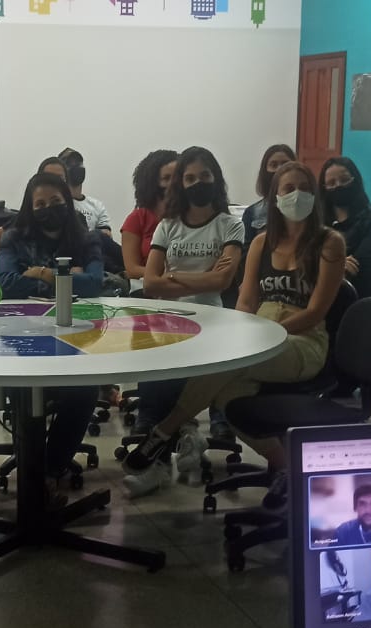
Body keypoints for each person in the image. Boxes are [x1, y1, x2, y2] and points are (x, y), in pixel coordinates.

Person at [122, 162, 345, 502]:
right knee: (228, 400)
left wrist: (264, 337)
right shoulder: (262, 242)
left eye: (305, 188)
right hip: (260, 333)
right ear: (275, 196)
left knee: (226, 364)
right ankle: (286, 466)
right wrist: (242, 337)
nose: (297, 195)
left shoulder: (329, 242)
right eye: (288, 189)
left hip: (303, 342)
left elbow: (316, 311)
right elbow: (246, 302)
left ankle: (164, 431)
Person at [124, 146, 246, 493]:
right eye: (189, 178)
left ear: (216, 179)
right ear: (180, 184)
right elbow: (150, 283)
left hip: (212, 322)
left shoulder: (230, 225)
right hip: (169, 320)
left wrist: (175, 277)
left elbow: (223, 281)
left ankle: (175, 445)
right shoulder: (167, 226)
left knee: (181, 384)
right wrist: (202, 277)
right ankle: (165, 458)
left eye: (204, 176)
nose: (197, 183)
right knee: (160, 384)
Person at [0, 171, 103, 491]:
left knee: (85, 390)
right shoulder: (14, 237)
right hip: (23, 334)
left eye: (55, 201)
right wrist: (66, 276)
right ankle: (34, 467)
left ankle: (50, 469)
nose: (48, 208)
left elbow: (94, 283)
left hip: (75, 332)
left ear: (67, 202)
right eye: (39, 204)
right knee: (25, 389)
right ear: (30, 207)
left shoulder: (87, 238)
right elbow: (6, 284)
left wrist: (39, 273)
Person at [320, 156, 371, 299]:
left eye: (344, 180)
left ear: (355, 181)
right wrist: (339, 263)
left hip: (359, 299)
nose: (338, 186)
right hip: (321, 297)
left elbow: (357, 265)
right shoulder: (317, 226)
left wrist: (329, 264)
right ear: (323, 188)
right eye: (331, 183)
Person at [0, 158, 70, 256]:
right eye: (48, 178)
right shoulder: (26, 218)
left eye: (60, 179)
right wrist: (13, 257)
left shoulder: (77, 218)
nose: (54, 184)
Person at [119, 149, 178, 281]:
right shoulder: (137, 219)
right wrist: (171, 276)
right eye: (166, 178)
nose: (174, 183)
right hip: (148, 287)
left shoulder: (190, 215)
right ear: (152, 182)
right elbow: (132, 269)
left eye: (177, 177)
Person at [242, 144, 295, 250]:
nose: (279, 169)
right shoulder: (252, 212)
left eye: (285, 164)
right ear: (264, 171)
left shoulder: (305, 206)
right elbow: (246, 253)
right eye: (273, 165)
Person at [58, 147, 112, 236]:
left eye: (78, 163)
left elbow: (106, 236)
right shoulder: (57, 204)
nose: (75, 167)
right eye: (70, 164)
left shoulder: (97, 206)